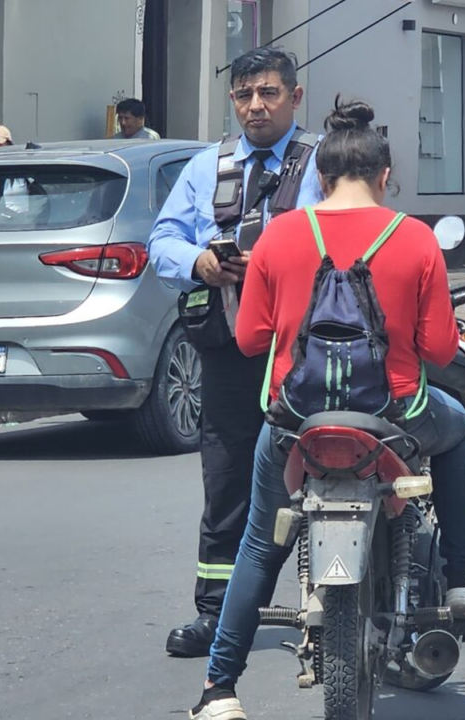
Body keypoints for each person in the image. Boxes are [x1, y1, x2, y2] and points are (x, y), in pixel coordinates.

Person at [187, 97, 465, 720]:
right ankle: (462, 576)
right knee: (460, 430)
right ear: (386, 176)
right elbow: (438, 348)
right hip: (395, 419)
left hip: (295, 424)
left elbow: (249, 340)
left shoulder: (280, 236)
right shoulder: (415, 238)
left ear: (319, 179)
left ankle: (220, 690)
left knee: (256, 544)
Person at [149, 47, 322, 660]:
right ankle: (216, 614)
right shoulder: (206, 166)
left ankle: (338, 603)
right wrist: (198, 261)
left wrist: (280, 261)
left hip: (311, 352)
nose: (256, 106)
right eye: (245, 95)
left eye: (269, 93)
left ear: (295, 98)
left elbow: (351, 237)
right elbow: (160, 241)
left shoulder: (323, 163)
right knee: (226, 481)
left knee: (326, 472)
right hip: (226, 349)